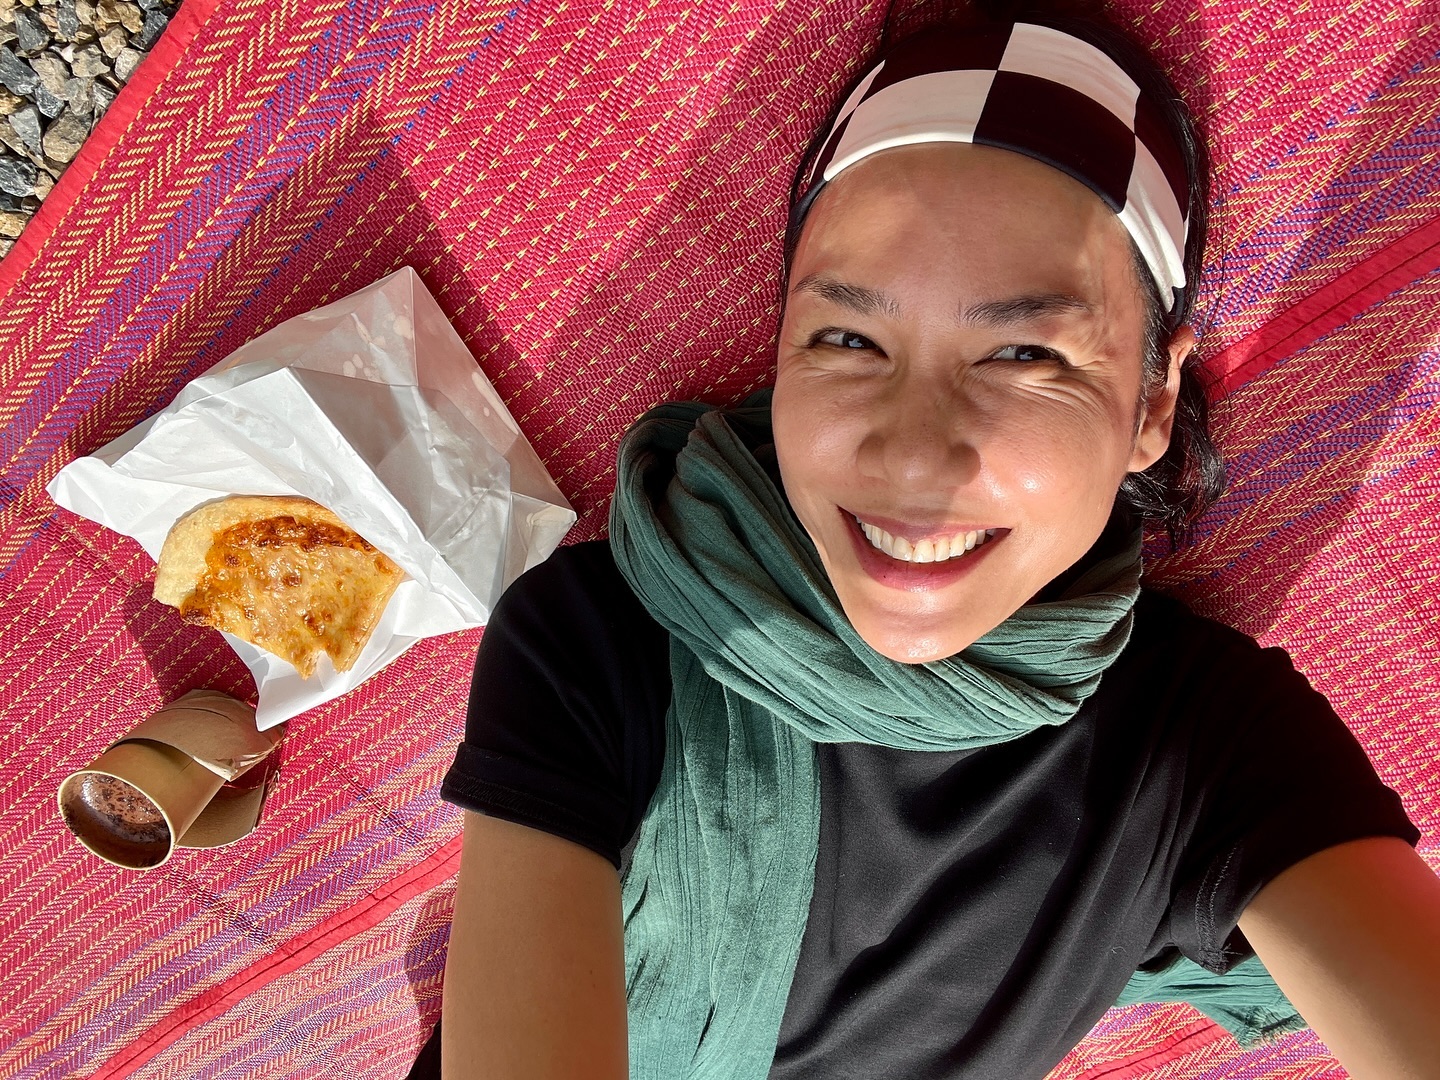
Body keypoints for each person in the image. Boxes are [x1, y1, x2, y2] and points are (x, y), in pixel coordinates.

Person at [422, 3, 1440, 1077]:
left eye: (1025, 355)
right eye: (849, 338)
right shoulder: (597, 645)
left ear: (1151, 404)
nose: (912, 460)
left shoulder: (1209, 751)